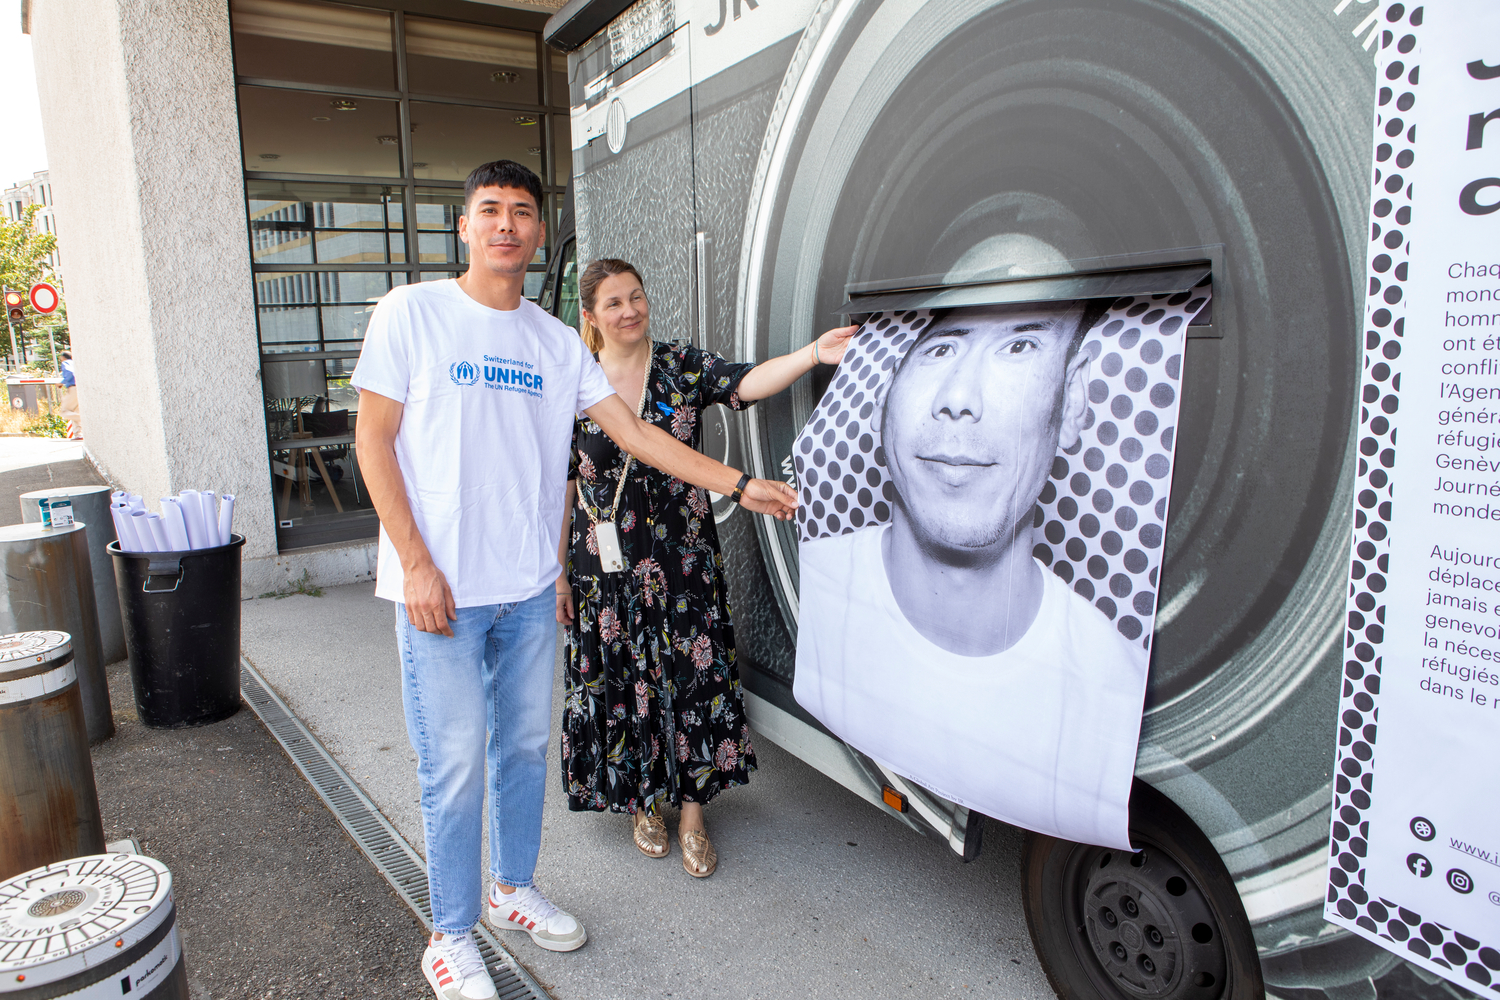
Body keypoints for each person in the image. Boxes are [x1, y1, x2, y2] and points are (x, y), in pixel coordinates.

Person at [352, 161, 797, 1000]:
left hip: (524, 590)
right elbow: (373, 442)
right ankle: (448, 936)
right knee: (451, 764)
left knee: (520, 751)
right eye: (490, 210)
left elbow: (636, 436)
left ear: (537, 234)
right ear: (465, 226)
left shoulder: (555, 342)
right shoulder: (412, 313)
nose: (507, 226)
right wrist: (414, 562)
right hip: (440, 588)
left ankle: (512, 888)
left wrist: (735, 484)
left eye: (522, 212)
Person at [794, 299, 1146, 850]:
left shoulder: (1110, 680)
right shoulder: (820, 584)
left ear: (1072, 400)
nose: (960, 399)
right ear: (882, 393)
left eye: (1019, 347)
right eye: (937, 349)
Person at [556, 258, 855, 877]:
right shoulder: (574, 381)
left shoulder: (680, 366)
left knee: (691, 682)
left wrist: (811, 354)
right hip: (605, 570)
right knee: (626, 683)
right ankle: (644, 803)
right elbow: (560, 484)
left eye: (636, 296)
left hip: (683, 557)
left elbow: (745, 382)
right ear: (590, 316)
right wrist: (557, 570)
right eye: (613, 303)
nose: (630, 310)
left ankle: (692, 814)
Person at [59, 351, 80, 439]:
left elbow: (69, 372)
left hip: (73, 388)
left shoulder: (66, 363)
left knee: (64, 412)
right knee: (74, 411)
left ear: (63, 357)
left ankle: (85, 418)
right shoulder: (76, 362)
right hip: (80, 388)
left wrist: (61, 382)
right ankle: (78, 434)